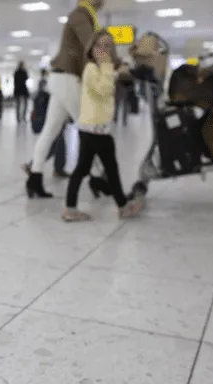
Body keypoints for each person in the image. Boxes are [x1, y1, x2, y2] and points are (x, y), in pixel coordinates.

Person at [25, 0, 106, 199]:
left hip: (63, 78)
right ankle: (98, 179)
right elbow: (91, 45)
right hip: (67, 79)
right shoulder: (80, 15)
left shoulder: (87, 17)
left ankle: (34, 179)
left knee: (50, 132)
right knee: (90, 127)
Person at [62, 30, 145, 222]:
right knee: (98, 169)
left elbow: (106, 82)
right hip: (94, 131)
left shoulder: (100, 69)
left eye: (108, 46)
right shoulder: (91, 68)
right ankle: (120, 206)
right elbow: (103, 90)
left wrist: (116, 72)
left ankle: (73, 208)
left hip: (97, 129)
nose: (103, 50)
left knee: (91, 169)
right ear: (91, 48)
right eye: (99, 45)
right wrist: (109, 67)